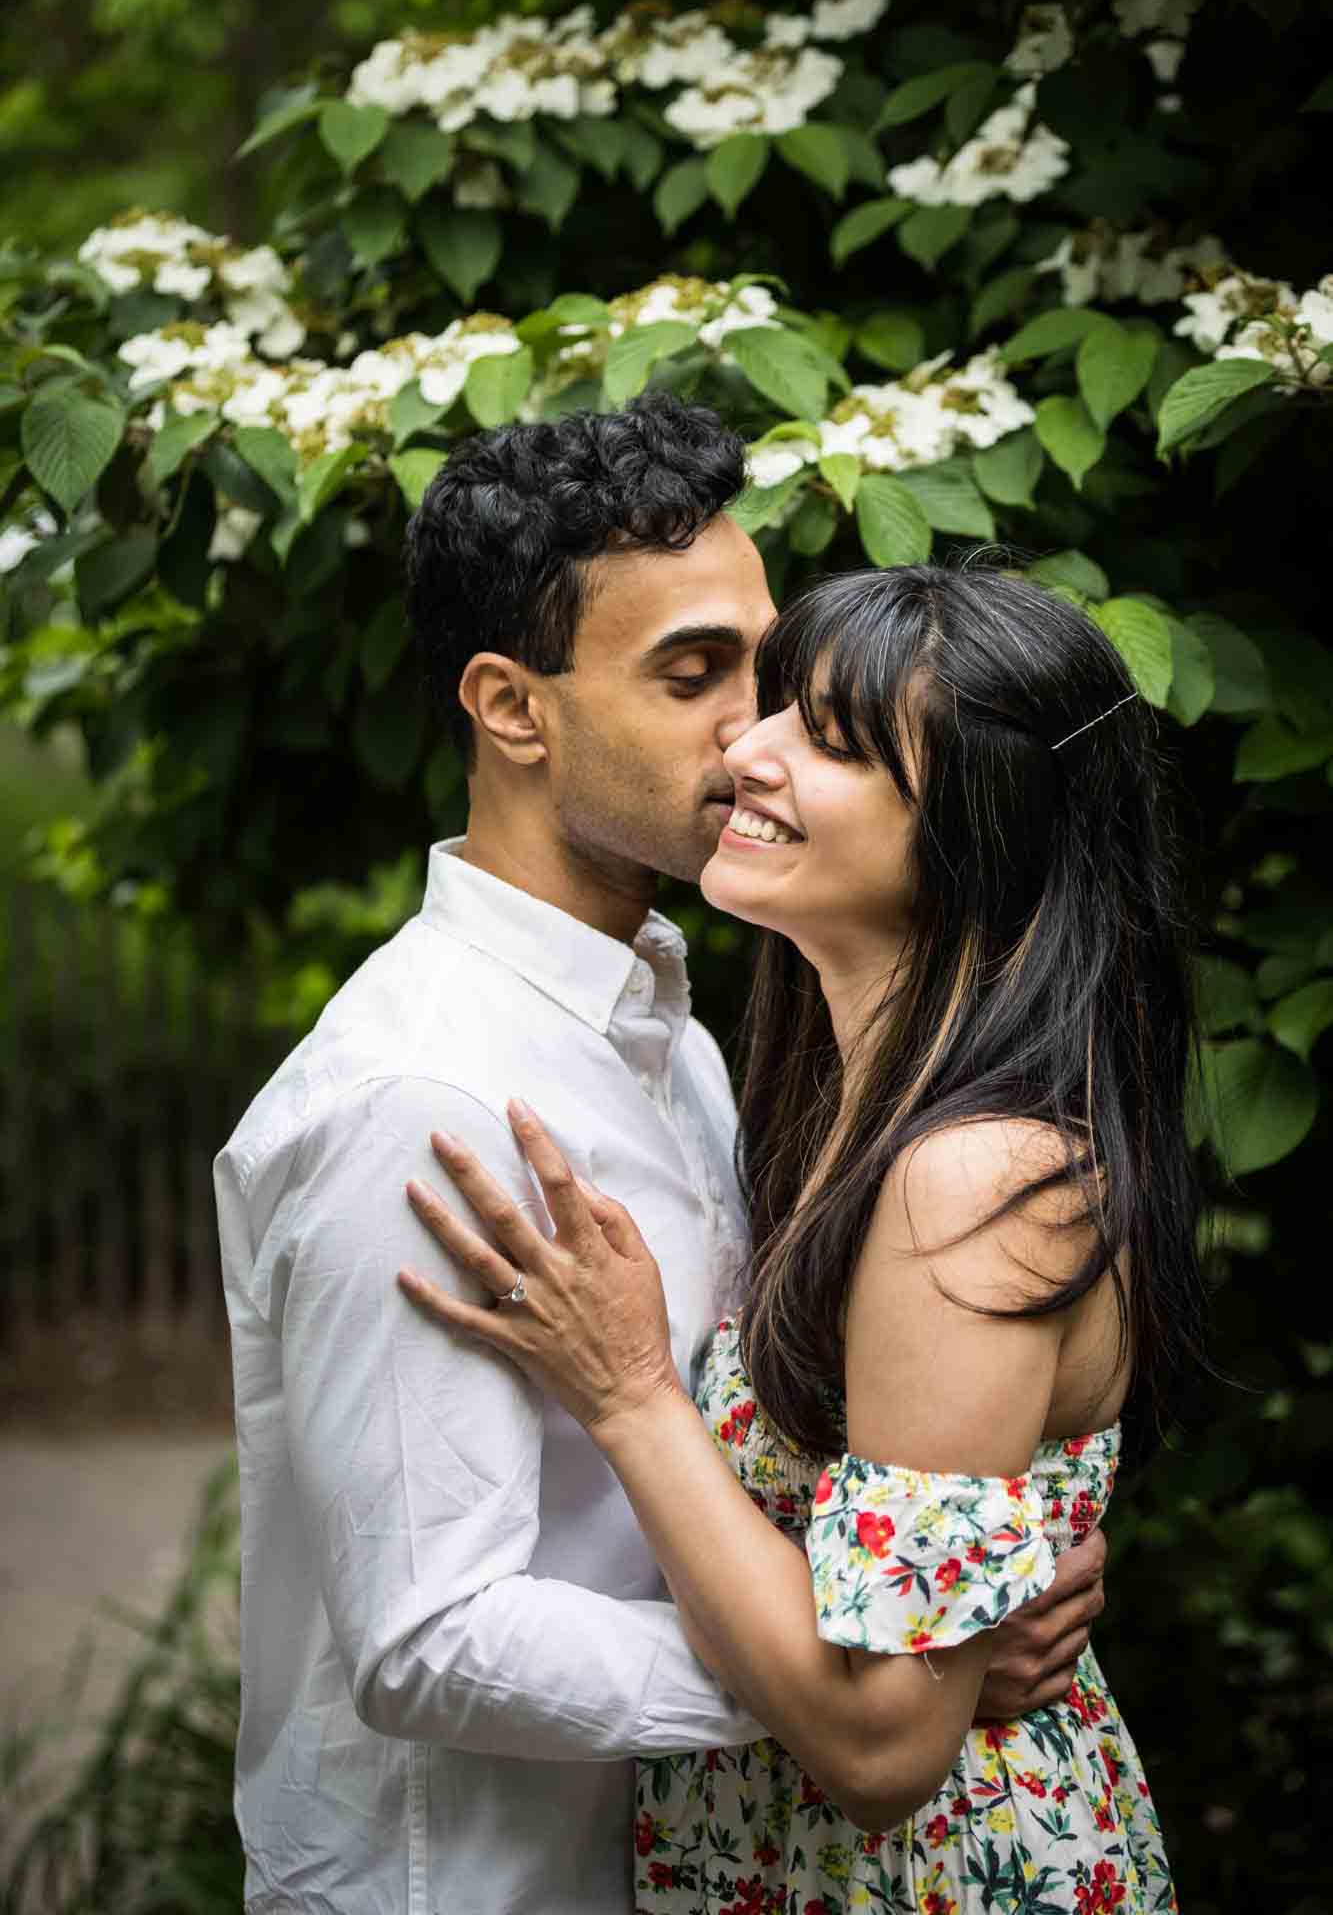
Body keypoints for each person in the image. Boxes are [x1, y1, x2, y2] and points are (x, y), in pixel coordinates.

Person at [215, 402, 1106, 1915]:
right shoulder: (421, 1097)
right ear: (509, 707)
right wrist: (874, 1669)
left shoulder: (681, 1035)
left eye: (767, 669)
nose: (755, 734)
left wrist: (940, 1598)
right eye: (692, 675)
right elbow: (428, 1636)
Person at [397, 560, 1204, 1913]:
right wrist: (964, 1613)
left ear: (976, 830)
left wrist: (631, 1394)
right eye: (771, 708)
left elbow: (884, 1740)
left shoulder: (973, 1181)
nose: (744, 750)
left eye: (825, 741)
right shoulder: (832, 1111)